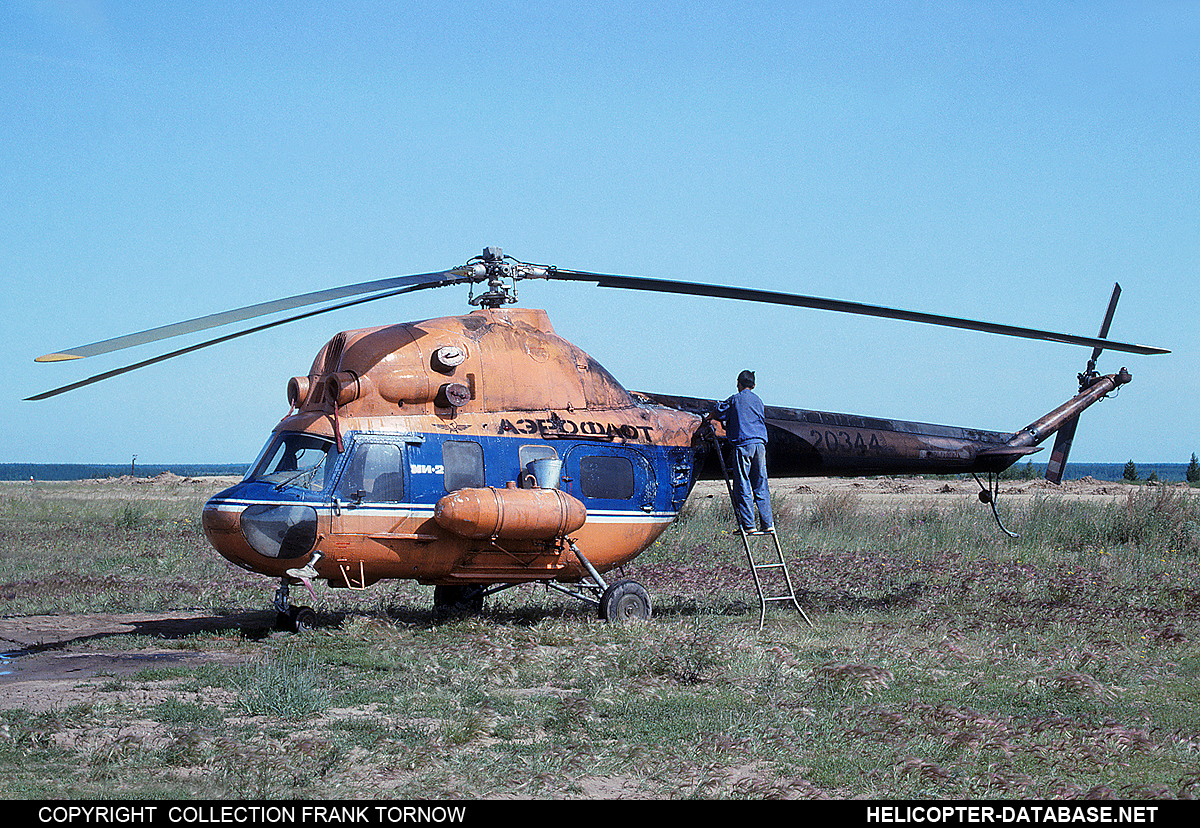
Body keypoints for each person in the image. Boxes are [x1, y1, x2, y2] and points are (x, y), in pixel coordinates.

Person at [711, 370, 774, 534]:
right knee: (761, 483)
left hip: (744, 444)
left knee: (743, 484)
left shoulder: (735, 399)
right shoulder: (759, 400)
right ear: (753, 385)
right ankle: (768, 523)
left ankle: (749, 525)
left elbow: (720, 412)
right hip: (760, 444)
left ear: (738, 383)